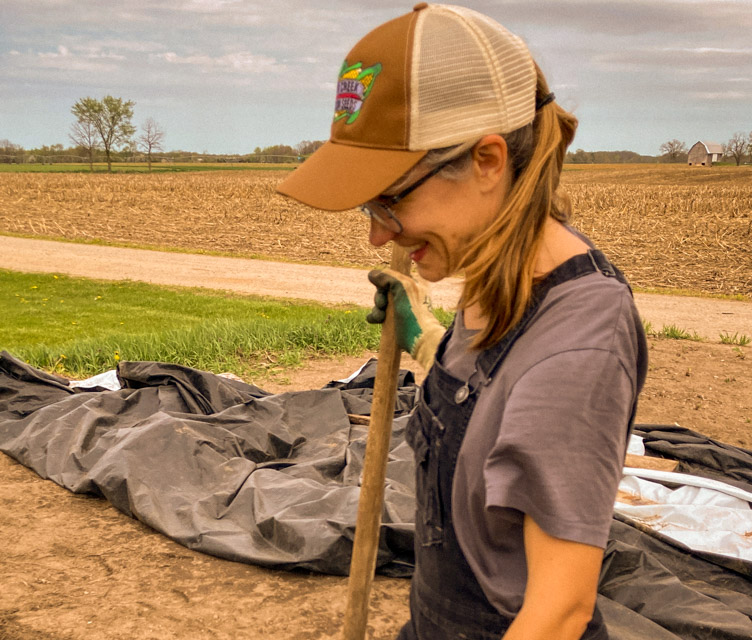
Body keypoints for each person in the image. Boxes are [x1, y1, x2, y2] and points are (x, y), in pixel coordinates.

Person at [276, 4, 648, 639]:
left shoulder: (577, 346)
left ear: (486, 161)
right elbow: (486, 396)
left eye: (390, 199)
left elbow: (558, 614)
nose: (374, 236)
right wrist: (421, 331)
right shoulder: (497, 273)